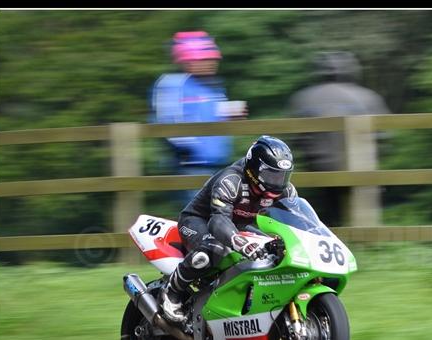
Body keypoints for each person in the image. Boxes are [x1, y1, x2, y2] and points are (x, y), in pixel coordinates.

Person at [159, 135, 297, 323]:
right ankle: (172, 292)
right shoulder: (231, 180)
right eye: (272, 175)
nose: (278, 182)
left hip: (241, 227)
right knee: (213, 249)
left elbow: (295, 222)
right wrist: (241, 243)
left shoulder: (286, 191)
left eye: (282, 176)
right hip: (200, 221)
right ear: (255, 170)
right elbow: (218, 221)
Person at [288, 51, 390, 226]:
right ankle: (362, 243)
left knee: (325, 216)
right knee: (360, 217)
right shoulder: (368, 97)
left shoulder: (303, 99)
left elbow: (295, 140)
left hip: (319, 169)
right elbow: (383, 136)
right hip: (360, 168)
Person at [150, 31, 247, 205]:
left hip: (219, 164)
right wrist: (187, 150)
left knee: (221, 215)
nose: (211, 63)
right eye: (204, 59)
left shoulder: (214, 87)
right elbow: (167, 121)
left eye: (213, 59)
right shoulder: (173, 84)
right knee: (197, 217)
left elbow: (215, 119)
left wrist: (231, 117)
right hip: (190, 166)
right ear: (187, 61)